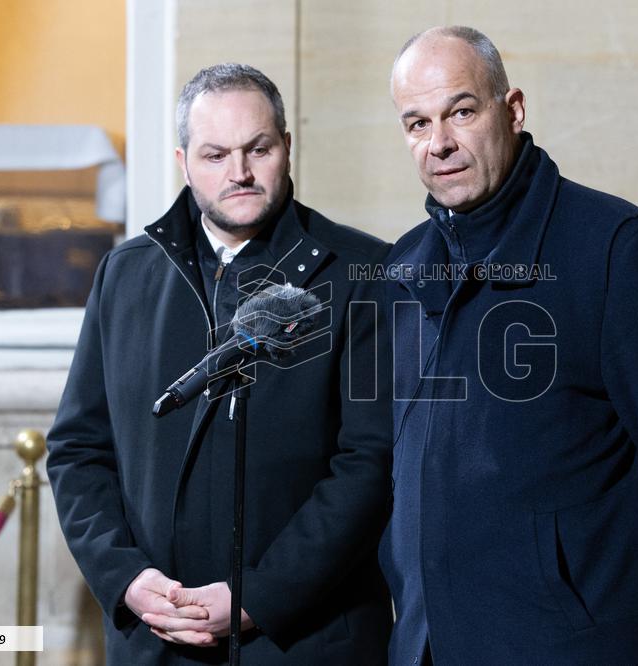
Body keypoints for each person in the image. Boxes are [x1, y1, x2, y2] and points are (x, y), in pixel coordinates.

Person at [380, 26, 638, 664]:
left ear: (512, 109)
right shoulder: (405, 267)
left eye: (461, 112)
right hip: (429, 648)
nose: (439, 143)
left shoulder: (618, 249)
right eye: (417, 123)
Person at [46, 63, 393, 664]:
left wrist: (260, 595)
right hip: (154, 639)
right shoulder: (125, 274)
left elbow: (371, 463)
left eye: (258, 148)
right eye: (215, 155)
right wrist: (126, 580)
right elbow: (79, 449)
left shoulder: (363, 273)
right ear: (183, 162)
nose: (239, 173)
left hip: (303, 642)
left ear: (287, 147)